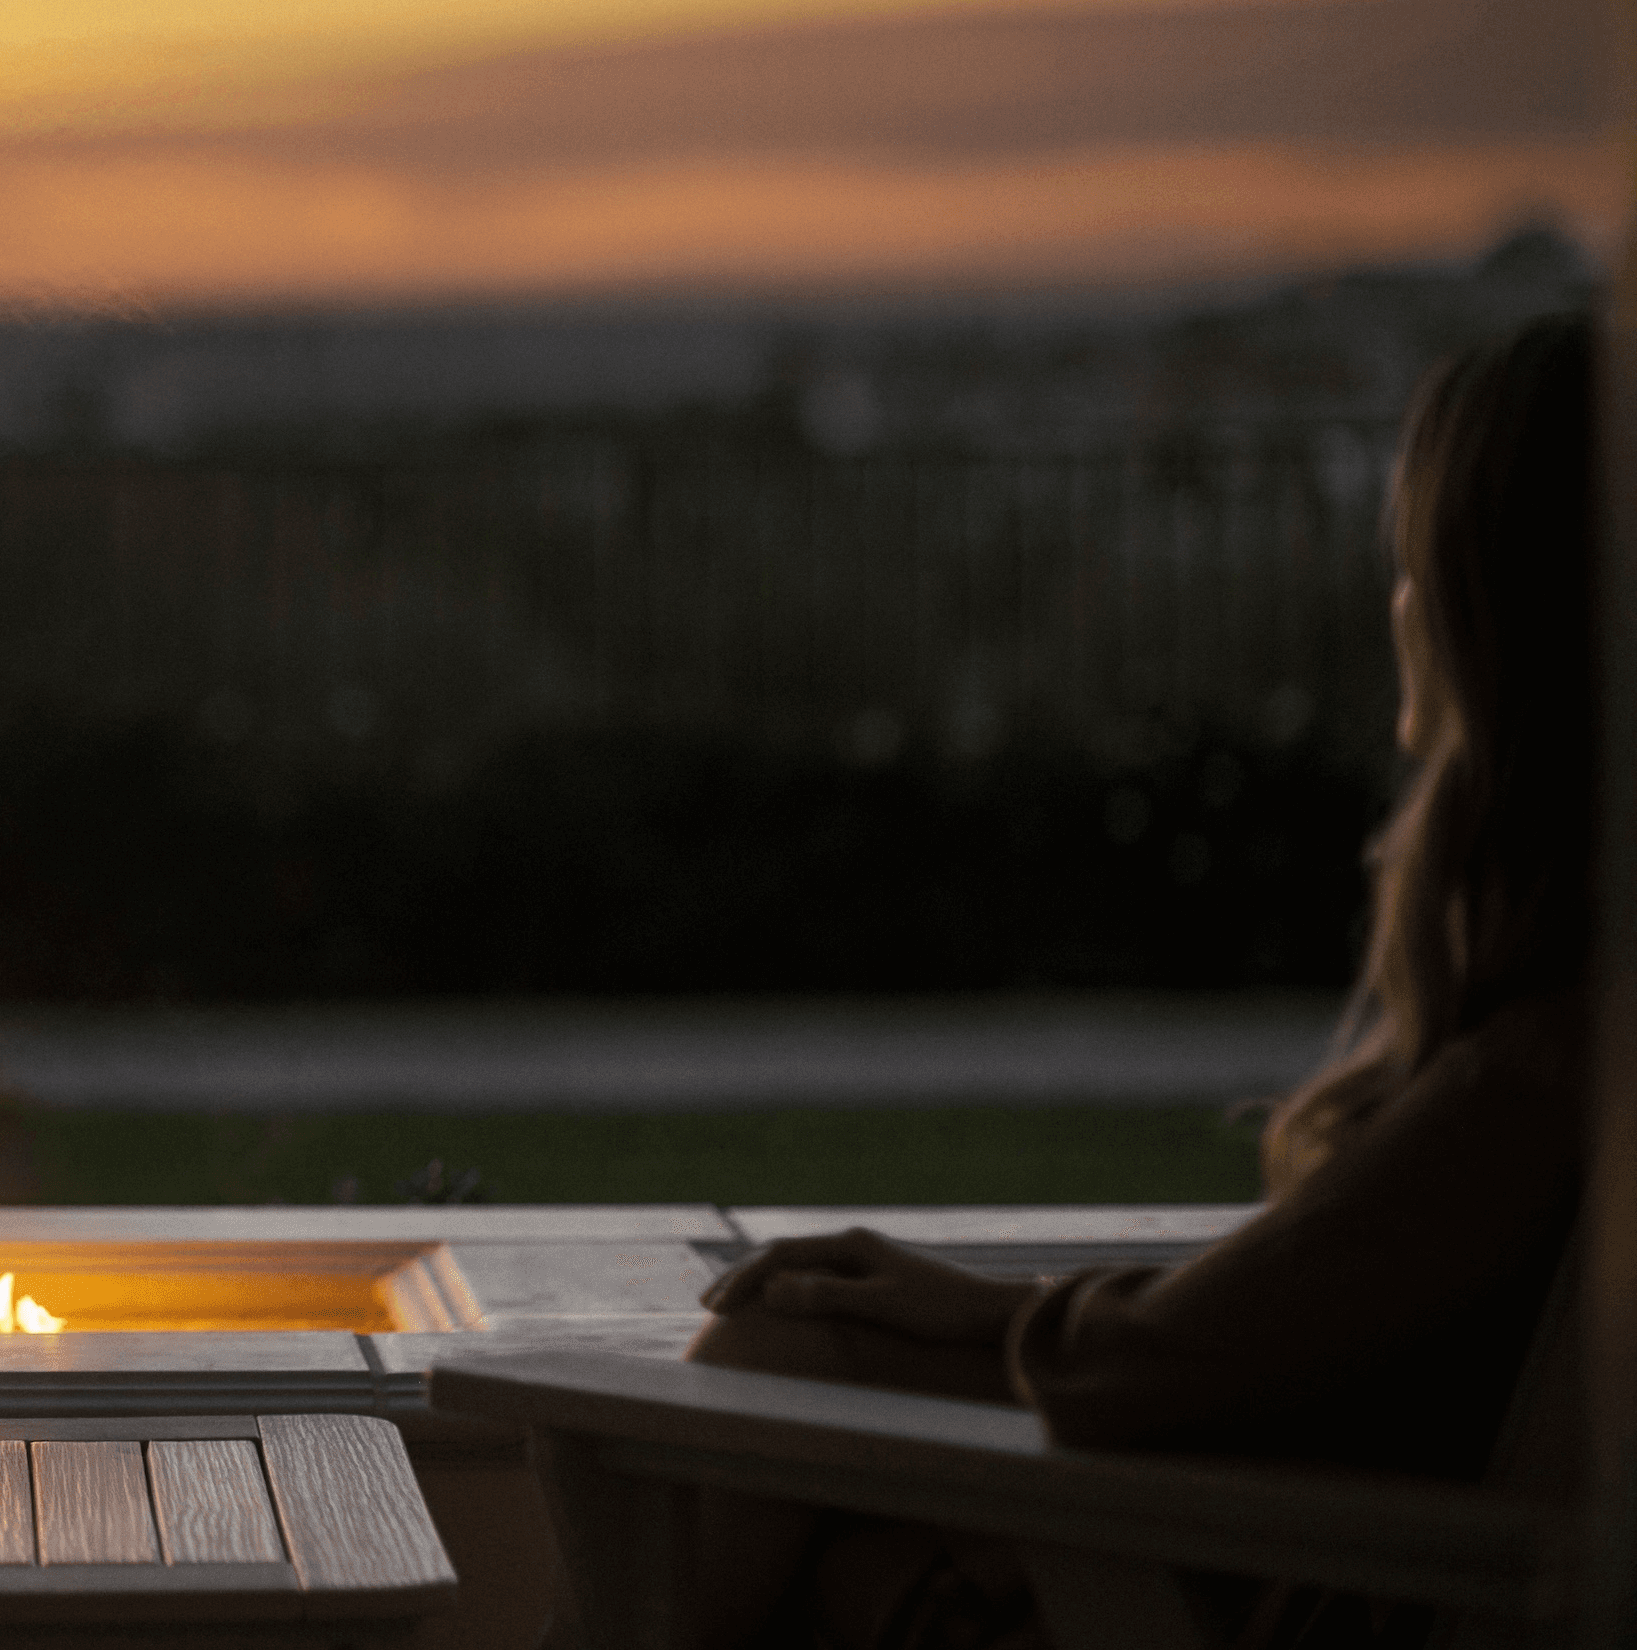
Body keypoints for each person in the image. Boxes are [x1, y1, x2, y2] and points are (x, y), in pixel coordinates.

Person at [668, 310, 1596, 1650]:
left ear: (1478, 614)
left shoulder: (1534, 1075)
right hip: (1290, 1545)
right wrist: (970, 1304)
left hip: (1277, 1585)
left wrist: (976, 1318)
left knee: (780, 1350)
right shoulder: (1556, 1051)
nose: (1390, 601)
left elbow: (1141, 1373)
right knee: (840, 1478)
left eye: (1409, 561)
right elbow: (1280, 1330)